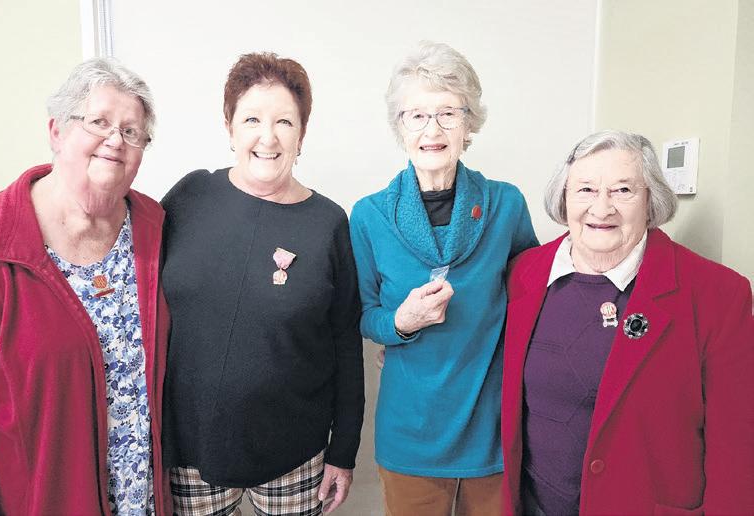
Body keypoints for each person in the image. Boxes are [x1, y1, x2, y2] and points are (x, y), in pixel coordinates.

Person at [501, 130, 754, 515]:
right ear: (563, 198)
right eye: (586, 190)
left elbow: (737, 448)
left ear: (651, 201)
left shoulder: (717, 294)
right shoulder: (522, 273)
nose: (602, 209)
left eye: (622, 190)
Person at [161, 52, 364, 515]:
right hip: (191, 449)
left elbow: (345, 342)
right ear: (230, 127)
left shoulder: (329, 223)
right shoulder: (189, 197)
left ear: (302, 134)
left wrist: (344, 449)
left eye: (284, 122)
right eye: (252, 119)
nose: (267, 137)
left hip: (296, 453)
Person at [0, 58, 171, 514]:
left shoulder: (154, 226)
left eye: (132, 131)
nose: (115, 140)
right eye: (99, 122)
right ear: (57, 131)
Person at [349, 41, 538, 516]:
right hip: (410, 435)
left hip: (489, 429)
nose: (432, 130)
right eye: (417, 115)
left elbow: (533, 303)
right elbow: (364, 315)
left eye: (448, 114)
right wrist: (402, 322)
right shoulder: (369, 216)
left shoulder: (506, 205)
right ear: (400, 126)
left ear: (469, 124)